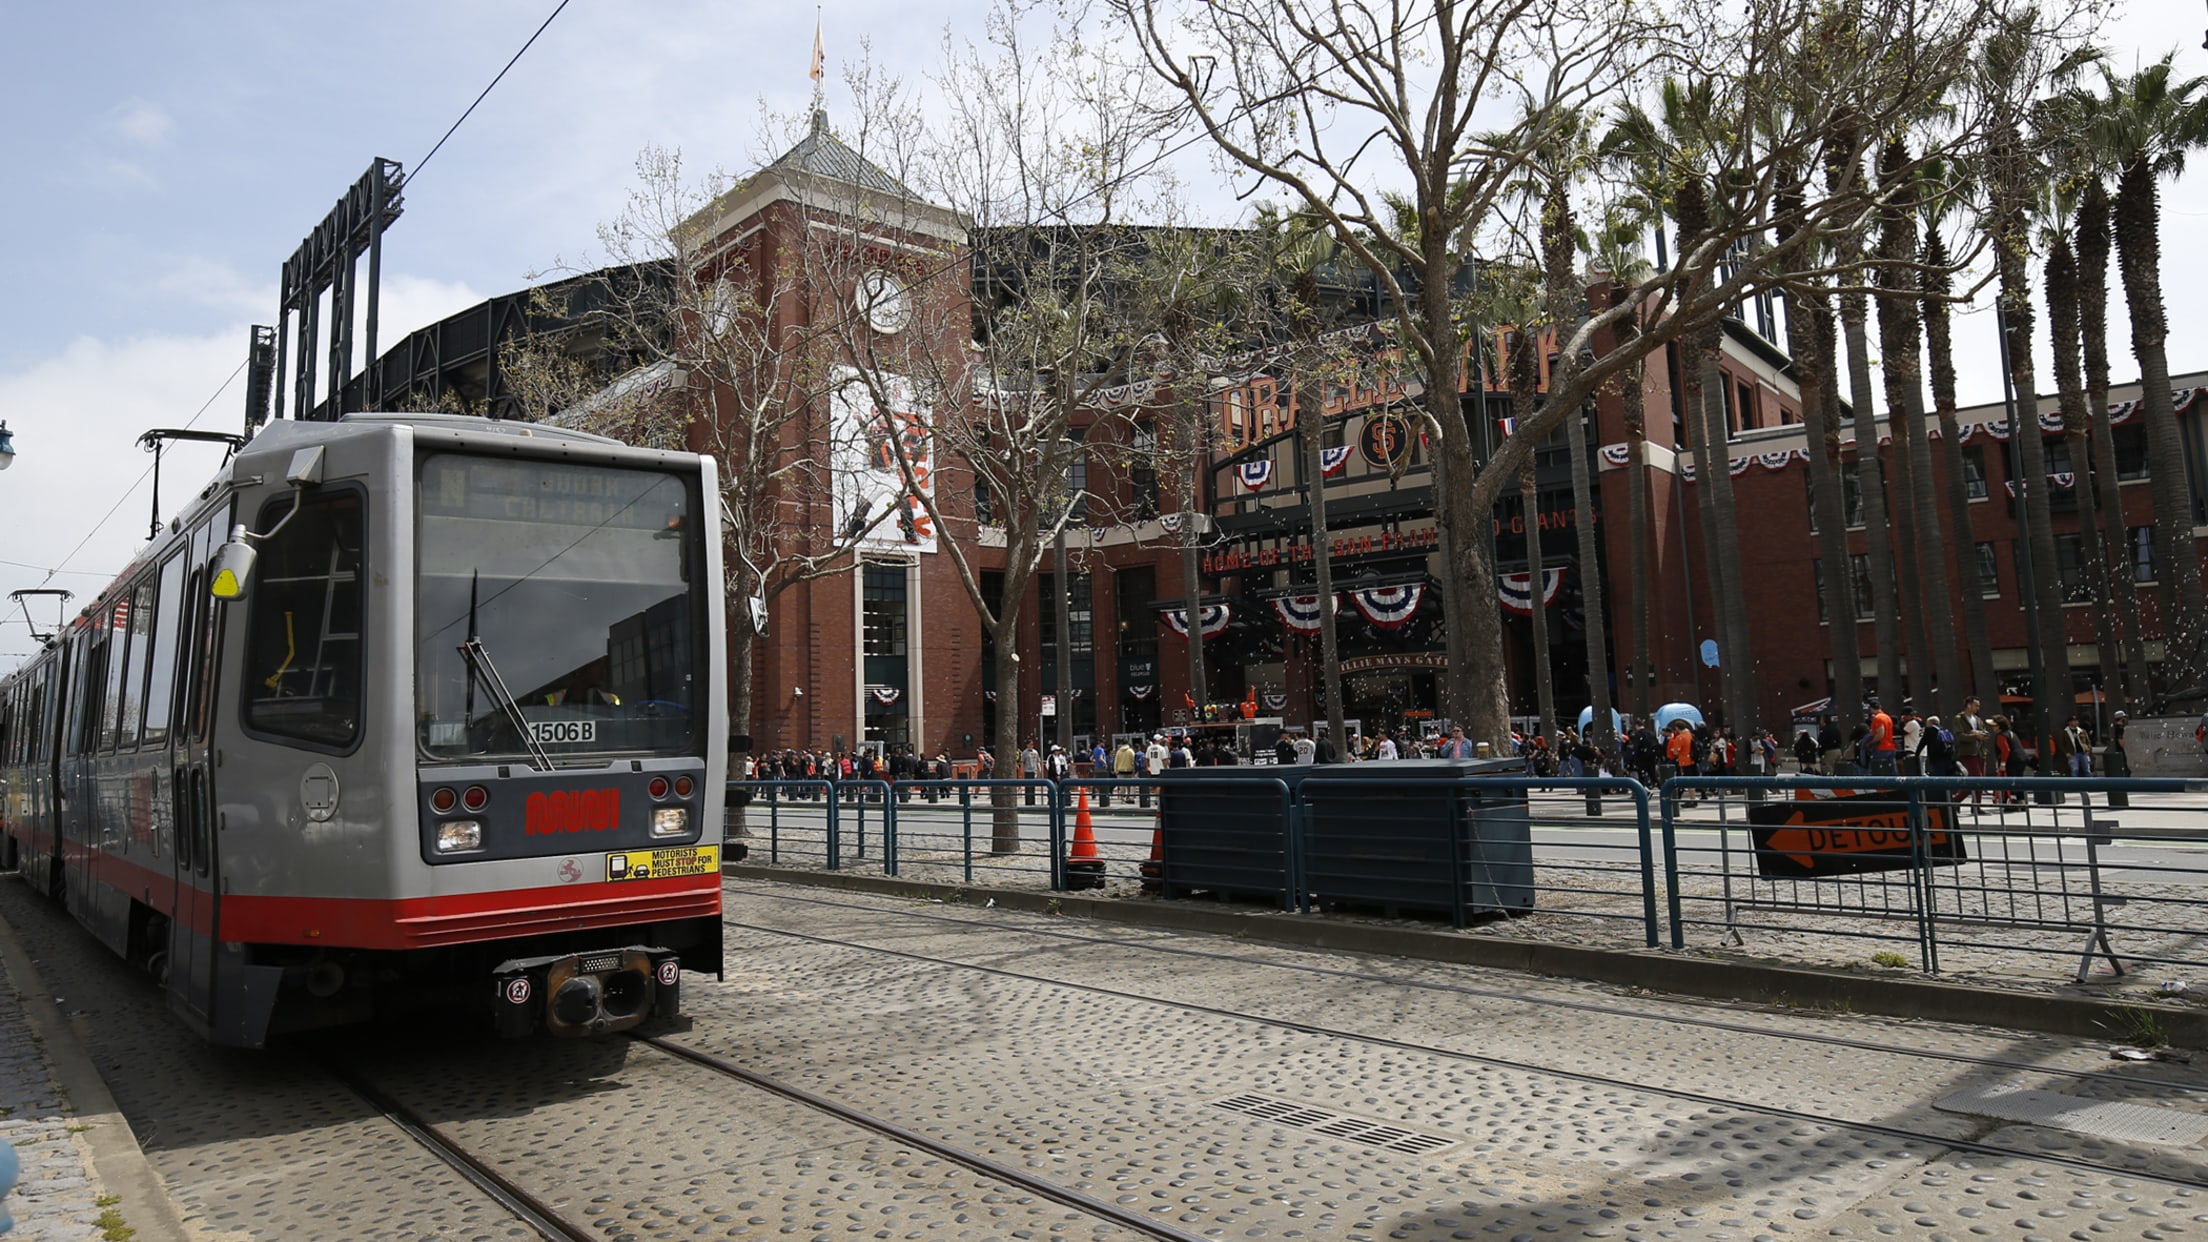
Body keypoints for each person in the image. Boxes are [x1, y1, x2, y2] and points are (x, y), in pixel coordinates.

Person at [1866, 697, 1898, 777]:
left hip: (1881, 747)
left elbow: (1880, 733)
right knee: (1892, 770)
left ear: (1871, 708)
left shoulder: (1877, 718)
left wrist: (1870, 742)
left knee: (1875, 769)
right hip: (1891, 746)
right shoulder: (1887, 717)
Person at [1019, 739, 1043, 806]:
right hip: (1027, 771)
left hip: (1034, 771)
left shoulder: (1035, 752)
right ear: (1027, 745)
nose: (1032, 745)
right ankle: (1028, 802)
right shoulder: (1024, 753)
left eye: (1032, 744)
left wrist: (1039, 770)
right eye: (1030, 744)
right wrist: (1022, 773)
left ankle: (1033, 801)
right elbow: (1022, 763)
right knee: (1028, 787)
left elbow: (1038, 761)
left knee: (1033, 787)